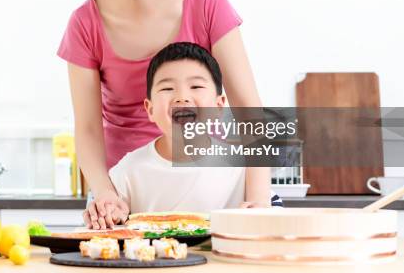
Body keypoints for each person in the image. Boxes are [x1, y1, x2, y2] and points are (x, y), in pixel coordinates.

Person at [58, 0, 270, 229]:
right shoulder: (84, 24)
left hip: (205, 183)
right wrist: (105, 193)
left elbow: (249, 109)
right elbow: (87, 129)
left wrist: (259, 200)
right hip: (125, 192)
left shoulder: (207, 1)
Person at [98, 42, 283, 217]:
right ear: (150, 109)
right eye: (167, 88)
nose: (182, 97)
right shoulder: (128, 170)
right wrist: (106, 216)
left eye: (196, 86)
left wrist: (262, 211)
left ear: (219, 107)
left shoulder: (242, 168)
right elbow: (108, 222)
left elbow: (271, 211)